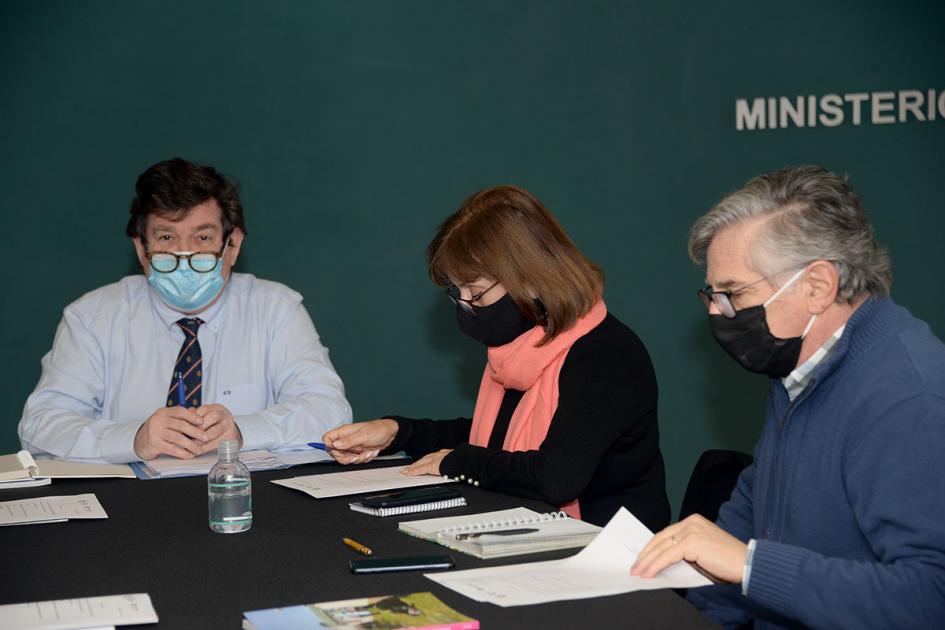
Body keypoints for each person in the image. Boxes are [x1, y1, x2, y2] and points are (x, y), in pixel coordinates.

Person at [631, 165, 945, 628]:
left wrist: (750, 567)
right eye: (713, 295)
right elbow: (753, 515)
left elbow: (929, 597)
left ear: (817, 286)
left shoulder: (908, 396)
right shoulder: (801, 366)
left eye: (733, 293)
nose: (718, 312)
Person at [323, 185, 671, 529]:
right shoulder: (522, 345)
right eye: (456, 293)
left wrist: (460, 462)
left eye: (475, 292)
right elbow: (490, 440)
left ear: (531, 279)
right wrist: (398, 433)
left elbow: (554, 477)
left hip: (608, 550)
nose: (465, 306)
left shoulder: (606, 354)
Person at [19, 158, 352, 463]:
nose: (184, 256)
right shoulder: (92, 316)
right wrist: (134, 438)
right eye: (166, 237)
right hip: (128, 506)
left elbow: (330, 411)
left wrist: (240, 431)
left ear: (232, 245)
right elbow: (41, 424)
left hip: (245, 496)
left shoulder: (275, 309)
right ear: (141, 246)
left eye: (203, 238)